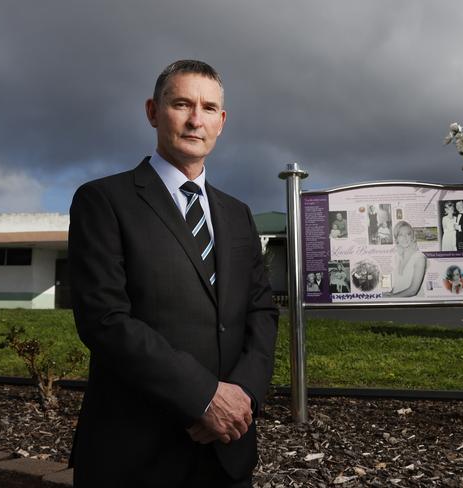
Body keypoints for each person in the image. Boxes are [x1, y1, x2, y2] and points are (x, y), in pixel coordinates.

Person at [68, 60, 278, 487]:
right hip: (136, 454)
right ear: (152, 111)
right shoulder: (103, 201)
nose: (195, 119)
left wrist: (242, 396)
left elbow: (261, 312)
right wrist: (203, 398)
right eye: (181, 104)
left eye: (208, 108)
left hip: (227, 450)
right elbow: (104, 320)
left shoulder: (238, 214)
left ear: (222, 120)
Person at [384, 221, 426, 297]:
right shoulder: (397, 257)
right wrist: (390, 293)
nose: (405, 238)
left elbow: (413, 290)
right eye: (401, 235)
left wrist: (391, 297)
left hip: (414, 305)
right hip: (398, 302)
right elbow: (398, 285)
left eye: (408, 234)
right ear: (396, 239)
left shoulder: (419, 257)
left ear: (412, 237)